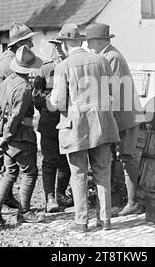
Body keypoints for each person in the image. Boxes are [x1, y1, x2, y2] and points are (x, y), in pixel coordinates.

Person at [48, 23, 120, 232]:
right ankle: (105, 220)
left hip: (76, 127)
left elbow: (60, 102)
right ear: (79, 41)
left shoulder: (63, 67)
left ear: (64, 43)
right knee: (102, 172)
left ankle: (81, 221)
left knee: (78, 175)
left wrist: (47, 103)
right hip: (102, 124)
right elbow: (111, 91)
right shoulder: (102, 60)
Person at [0, 22, 37, 209]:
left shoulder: (7, 56)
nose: (32, 45)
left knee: (1, 159)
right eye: (29, 41)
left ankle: (1, 200)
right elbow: (18, 93)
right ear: (19, 44)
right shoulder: (11, 62)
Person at [86, 22, 143, 216]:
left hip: (125, 116)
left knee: (126, 157)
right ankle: (119, 200)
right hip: (118, 116)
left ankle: (134, 202)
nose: (88, 46)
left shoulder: (113, 57)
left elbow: (113, 91)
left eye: (91, 42)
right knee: (117, 158)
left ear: (101, 40)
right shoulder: (105, 56)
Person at [0, 45, 43, 224]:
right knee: (30, 172)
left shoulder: (6, 82)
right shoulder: (24, 87)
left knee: (10, 172)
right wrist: (6, 136)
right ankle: (24, 212)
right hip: (20, 137)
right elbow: (16, 116)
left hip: (6, 135)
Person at [31, 39, 73, 213]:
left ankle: (61, 194)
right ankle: (50, 198)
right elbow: (36, 95)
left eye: (62, 46)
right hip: (49, 123)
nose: (59, 50)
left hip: (69, 123)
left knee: (66, 161)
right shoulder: (46, 68)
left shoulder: (74, 66)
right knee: (50, 161)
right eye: (56, 47)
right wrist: (50, 105)